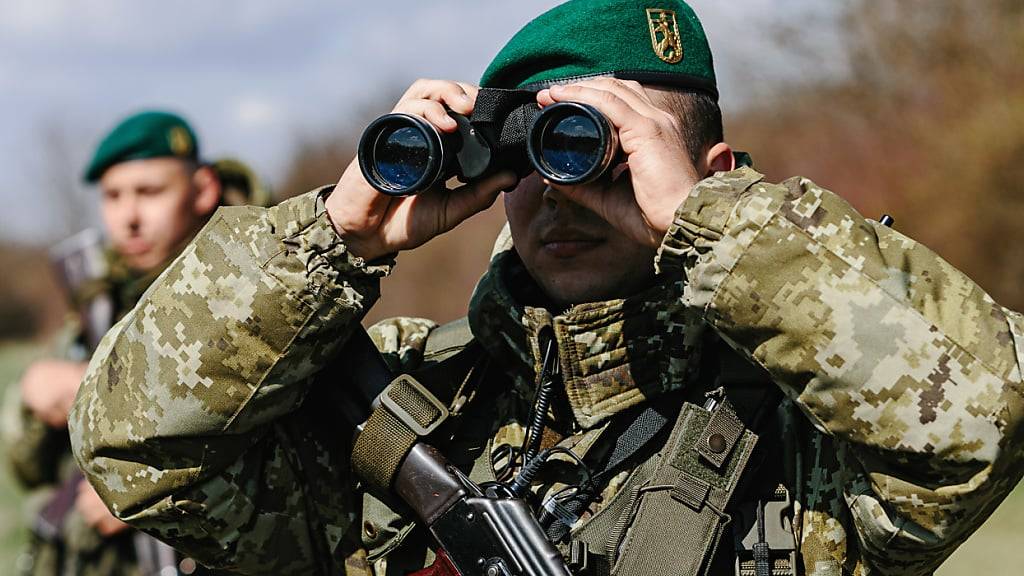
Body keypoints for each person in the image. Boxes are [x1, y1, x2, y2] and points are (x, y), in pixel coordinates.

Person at [69, 2, 1024, 575]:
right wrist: (329, 237)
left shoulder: (806, 436)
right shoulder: (407, 401)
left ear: (714, 173)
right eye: (533, 152)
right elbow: (133, 446)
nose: (560, 193)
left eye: (599, 151)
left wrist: (716, 224)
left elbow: (982, 418)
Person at [4, 110, 267, 576]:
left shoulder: (257, 285)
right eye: (112, 196)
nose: (128, 217)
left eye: (149, 192)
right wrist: (35, 402)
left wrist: (140, 492)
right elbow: (29, 470)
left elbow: (286, 453)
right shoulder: (97, 302)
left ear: (202, 189)